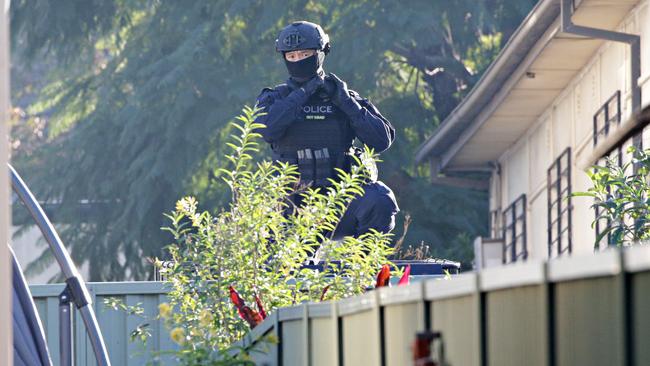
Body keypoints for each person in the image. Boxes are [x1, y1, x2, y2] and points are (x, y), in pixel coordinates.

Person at [255, 21, 399, 241]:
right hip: (292, 208)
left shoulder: (343, 96)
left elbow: (382, 140)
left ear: (322, 53)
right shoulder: (275, 98)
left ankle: (362, 267)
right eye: (291, 56)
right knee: (278, 254)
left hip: (338, 203)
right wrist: (303, 93)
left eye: (305, 54)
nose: (298, 60)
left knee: (379, 199)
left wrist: (346, 102)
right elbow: (268, 131)